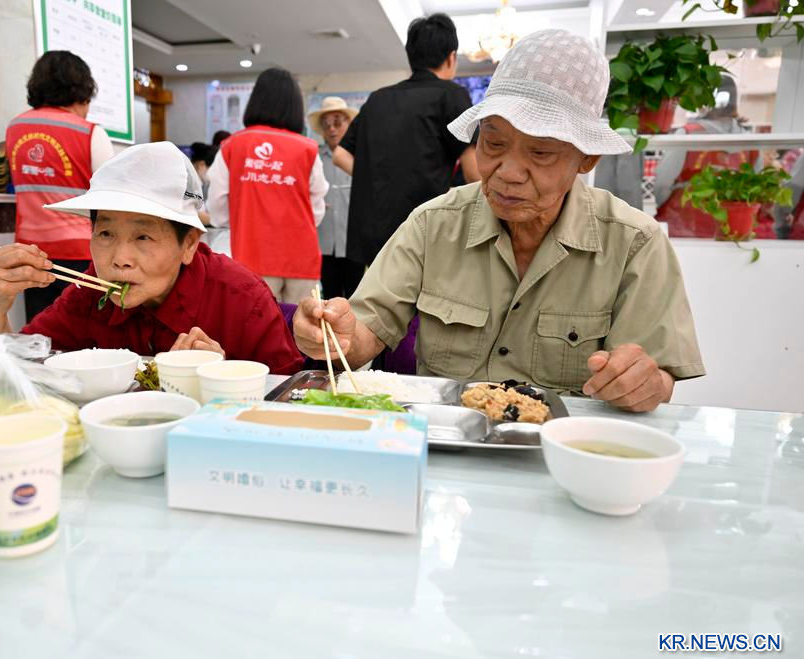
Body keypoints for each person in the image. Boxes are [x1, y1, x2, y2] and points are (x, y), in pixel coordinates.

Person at [294, 30, 705, 413]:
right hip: (444, 444)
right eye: (493, 143)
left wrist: (644, 381)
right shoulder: (433, 224)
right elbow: (365, 332)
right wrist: (336, 334)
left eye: (540, 153)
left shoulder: (635, 243)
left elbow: (658, 377)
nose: (508, 172)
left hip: (562, 452)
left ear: (586, 158)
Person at [0, 142, 304, 375]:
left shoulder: (242, 299)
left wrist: (221, 381)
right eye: (106, 233)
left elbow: (290, 403)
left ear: (189, 244)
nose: (120, 259)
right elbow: (16, 376)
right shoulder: (89, 293)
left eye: (143, 237)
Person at [333, 13, 477, 268]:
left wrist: (376, 177)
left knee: (382, 293)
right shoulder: (451, 95)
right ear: (451, 57)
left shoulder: (378, 99)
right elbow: (474, 170)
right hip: (426, 229)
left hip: (376, 234)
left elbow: (340, 155)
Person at [6, 50, 115, 322]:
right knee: (84, 332)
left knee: (40, 332)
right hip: (81, 254)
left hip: (31, 251)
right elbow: (112, 194)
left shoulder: (14, 128)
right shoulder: (90, 132)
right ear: (82, 91)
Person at [207, 68, 329, 304]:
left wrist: (242, 222)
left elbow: (217, 205)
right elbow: (317, 207)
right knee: (302, 324)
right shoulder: (307, 149)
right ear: (295, 106)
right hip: (302, 259)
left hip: (251, 256)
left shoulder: (232, 146)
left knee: (257, 323)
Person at [654, 74, 759, 237]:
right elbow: (757, 189)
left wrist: (661, 204)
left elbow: (663, 181)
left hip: (685, 223)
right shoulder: (750, 140)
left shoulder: (687, 134)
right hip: (734, 227)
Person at [307, 96, 364, 299]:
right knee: (329, 297)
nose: (332, 129)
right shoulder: (314, 159)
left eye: (338, 123)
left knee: (356, 298)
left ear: (348, 124)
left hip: (354, 242)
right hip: (324, 242)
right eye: (326, 124)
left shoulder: (361, 156)